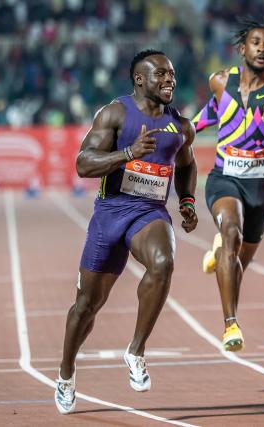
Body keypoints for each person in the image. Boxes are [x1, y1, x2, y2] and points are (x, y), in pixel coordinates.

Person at [54, 49, 198, 414]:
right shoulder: (115, 113)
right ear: (139, 79)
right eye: (160, 74)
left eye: (172, 74)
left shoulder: (180, 126)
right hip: (110, 214)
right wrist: (127, 154)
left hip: (148, 212)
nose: (169, 80)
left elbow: (187, 164)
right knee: (86, 306)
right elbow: (83, 164)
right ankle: (66, 373)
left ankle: (136, 350)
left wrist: (187, 201)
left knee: (163, 263)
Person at [192, 17, 264, 352]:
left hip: (260, 188)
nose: (263, 49)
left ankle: (220, 254)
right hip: (223, 179)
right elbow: (204, 118)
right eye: (257, 42)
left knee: (238, 262)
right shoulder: (220, 82)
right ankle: (231, 325)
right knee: (231, 232)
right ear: (242, 48)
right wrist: (173, 134)